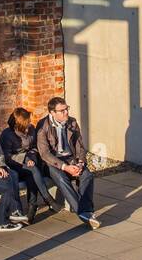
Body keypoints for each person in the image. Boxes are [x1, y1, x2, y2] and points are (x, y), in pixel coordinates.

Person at [36, 97, 100, 229]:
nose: (66, 112)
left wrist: (80, 163)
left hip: (71, 158)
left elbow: (80, 146)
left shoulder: (72, 122)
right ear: (52, 113)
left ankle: (86, 210)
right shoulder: (43, 126)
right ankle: (83, 213)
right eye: (62, 110)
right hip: (52, 162)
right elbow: (45, 154)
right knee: (61, 178)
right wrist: (65, 167)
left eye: (67, 109)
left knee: (87, 175)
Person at [0, 107, 57, 223]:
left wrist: (30, 157)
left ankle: (32, 209)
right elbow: (7, 157)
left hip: (30, 163)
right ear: (18, 125)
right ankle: (48, 199)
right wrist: (25, 158)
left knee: (32, 174)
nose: (29, 125)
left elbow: (35, 147)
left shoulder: (31, 129)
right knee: (33, 170)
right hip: (14, 165)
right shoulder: (7, 135)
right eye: (26, 123)